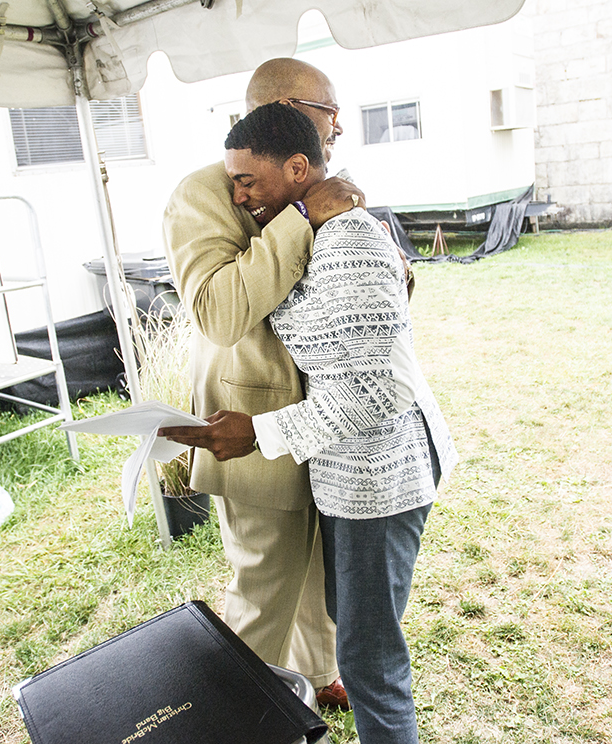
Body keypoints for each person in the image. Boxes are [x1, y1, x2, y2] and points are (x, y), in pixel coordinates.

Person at [161, 103, 458, 744]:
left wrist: (260, 431)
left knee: (371, 659)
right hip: (343, 472)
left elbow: (382, 390)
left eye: (248, 183)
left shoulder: (346, 236)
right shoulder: (300, 222)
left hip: (379, 477)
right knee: (352, 634)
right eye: (233, 182)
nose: (237, 197)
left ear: (298, 166)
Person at [161, 58, 362, 708]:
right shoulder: (202, 193)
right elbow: (220, 313)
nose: (339, 125)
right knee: (263, 586)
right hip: (251, 423)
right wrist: (301, 217)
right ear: (286, 106)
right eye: (330, 111)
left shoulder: (317, 180)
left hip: (321, 420)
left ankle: (318, 672)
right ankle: (232, 711)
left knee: (315, 571)